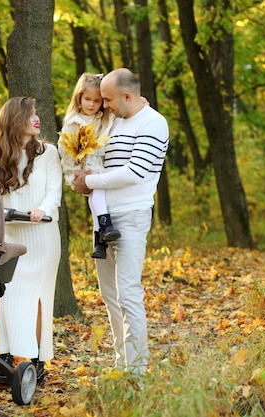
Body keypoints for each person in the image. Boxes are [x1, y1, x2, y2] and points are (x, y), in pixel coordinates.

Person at [72, 68, 169, 376]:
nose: (105, 106)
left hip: (130, 216)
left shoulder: (154, 123)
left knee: (128, 292)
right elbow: (95, 157)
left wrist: (93, 181)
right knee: (110, 296)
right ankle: (121, 364)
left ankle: (137, 371)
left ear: (127, 96)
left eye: (109, 100)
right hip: (103, 220)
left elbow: (134, 171)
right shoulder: (113, 122)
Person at [0, 97, 62, 385]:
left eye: (37, 113)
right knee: (10, 296)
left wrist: (44, 210)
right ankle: (5, 358)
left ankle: (37, 362)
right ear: (15, 120)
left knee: (39, 298)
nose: (37, 118)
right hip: (12, 236)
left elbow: (55, 191)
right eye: (30, 114)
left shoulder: (48, 153)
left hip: (41, 236)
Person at [58, 73, 120, 259]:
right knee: (96, 189)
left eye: (96, 100)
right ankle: (105, 224)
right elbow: (64, 148)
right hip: (78, 170)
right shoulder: (72, 121)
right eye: (87, 99)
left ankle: (99, 242)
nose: (91, 104)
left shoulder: (104, 118)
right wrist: (78, 160)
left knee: (97, 193)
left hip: (98, 166)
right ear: (79, 98)